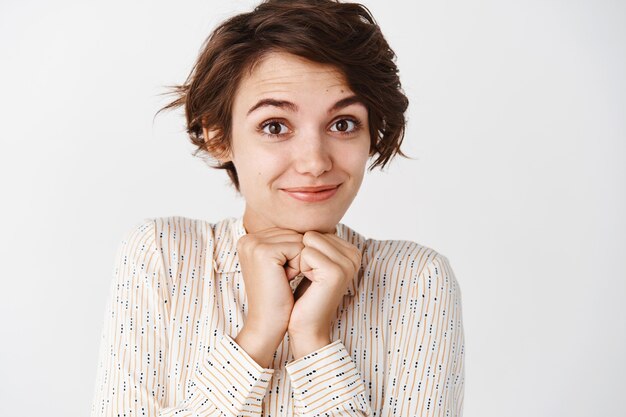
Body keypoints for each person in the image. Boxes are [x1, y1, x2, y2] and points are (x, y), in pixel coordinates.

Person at [89, 0, 465, 416]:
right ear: (219, 136)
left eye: (343, 124)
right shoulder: (162, 254)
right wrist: (258, 334)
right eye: (275, 126)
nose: (315, 161)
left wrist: (312, 340)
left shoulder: (415, 278)